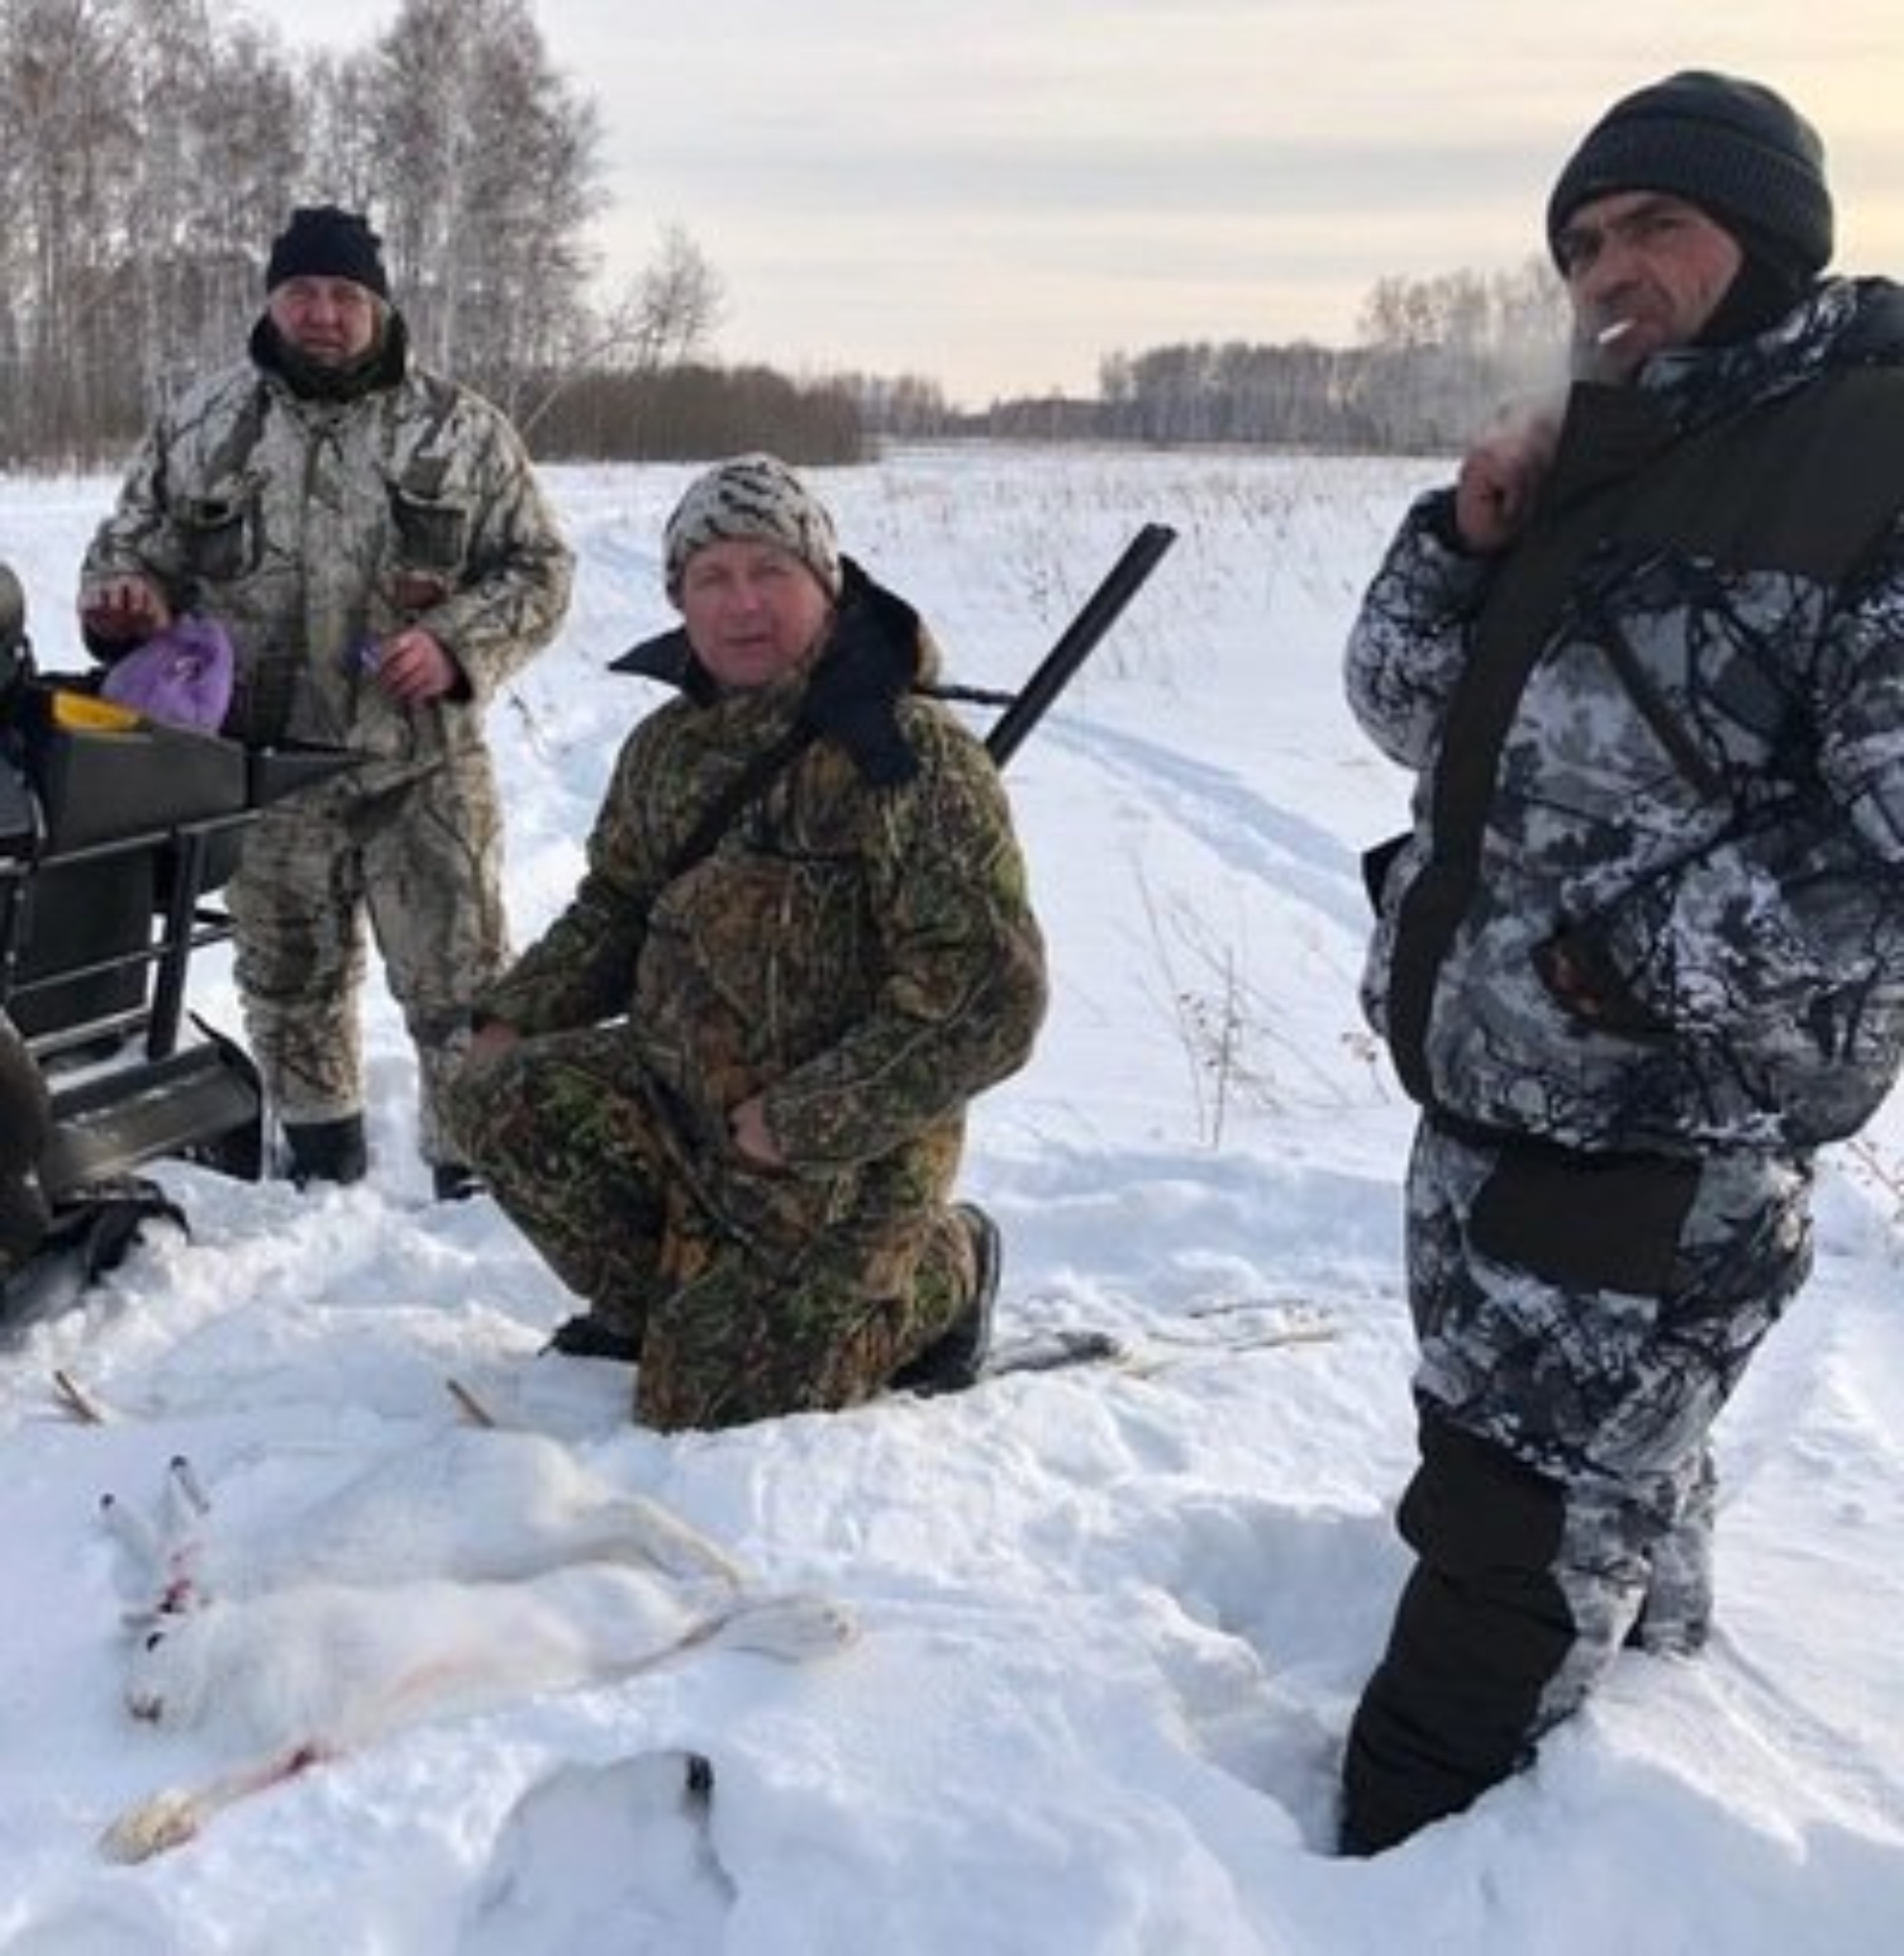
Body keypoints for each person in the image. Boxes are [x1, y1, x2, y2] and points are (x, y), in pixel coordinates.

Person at [1337, 71, 1904, 1854]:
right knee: (1543, 1471)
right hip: (1497, 1107)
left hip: (1666, 1144)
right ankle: (1631, 1767)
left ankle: (1422, 1867)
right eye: (1583, 239)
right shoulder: (1607, 440)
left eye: (1656, 224)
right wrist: (1464, 537)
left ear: (1771, 236)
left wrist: (1629, 963)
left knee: (1490, 1588)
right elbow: (1409, 709)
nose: (1609, 269)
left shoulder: (1869, 455)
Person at [445, 454, 1048, 1432]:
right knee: (499, 1098)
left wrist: (809, 1117)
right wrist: (513, 1017)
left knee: (713, 1407)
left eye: (771, 571)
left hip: (835, 1148)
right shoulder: (666, 750)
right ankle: (670, 1300)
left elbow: (988, 999)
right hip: (682, 1099)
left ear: (827, 582)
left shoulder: (910, 756)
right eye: (711, 579)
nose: (743, 604)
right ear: (679, 599)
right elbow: (615, 907)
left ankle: (948, 1265)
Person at [77, 205, 573, 1197]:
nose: (324, 313)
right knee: (288, 988)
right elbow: (131, 548)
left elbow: (540, 569)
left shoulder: (459, 426)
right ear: (272, 299)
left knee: (461, 988)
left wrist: (454, 644)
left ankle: (472, 1184)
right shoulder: (206, 422)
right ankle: (320, 1161)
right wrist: (127, 598)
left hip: (421, 768)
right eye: (303, 291)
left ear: (379, 307)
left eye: (346, 294)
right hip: (264, 770)